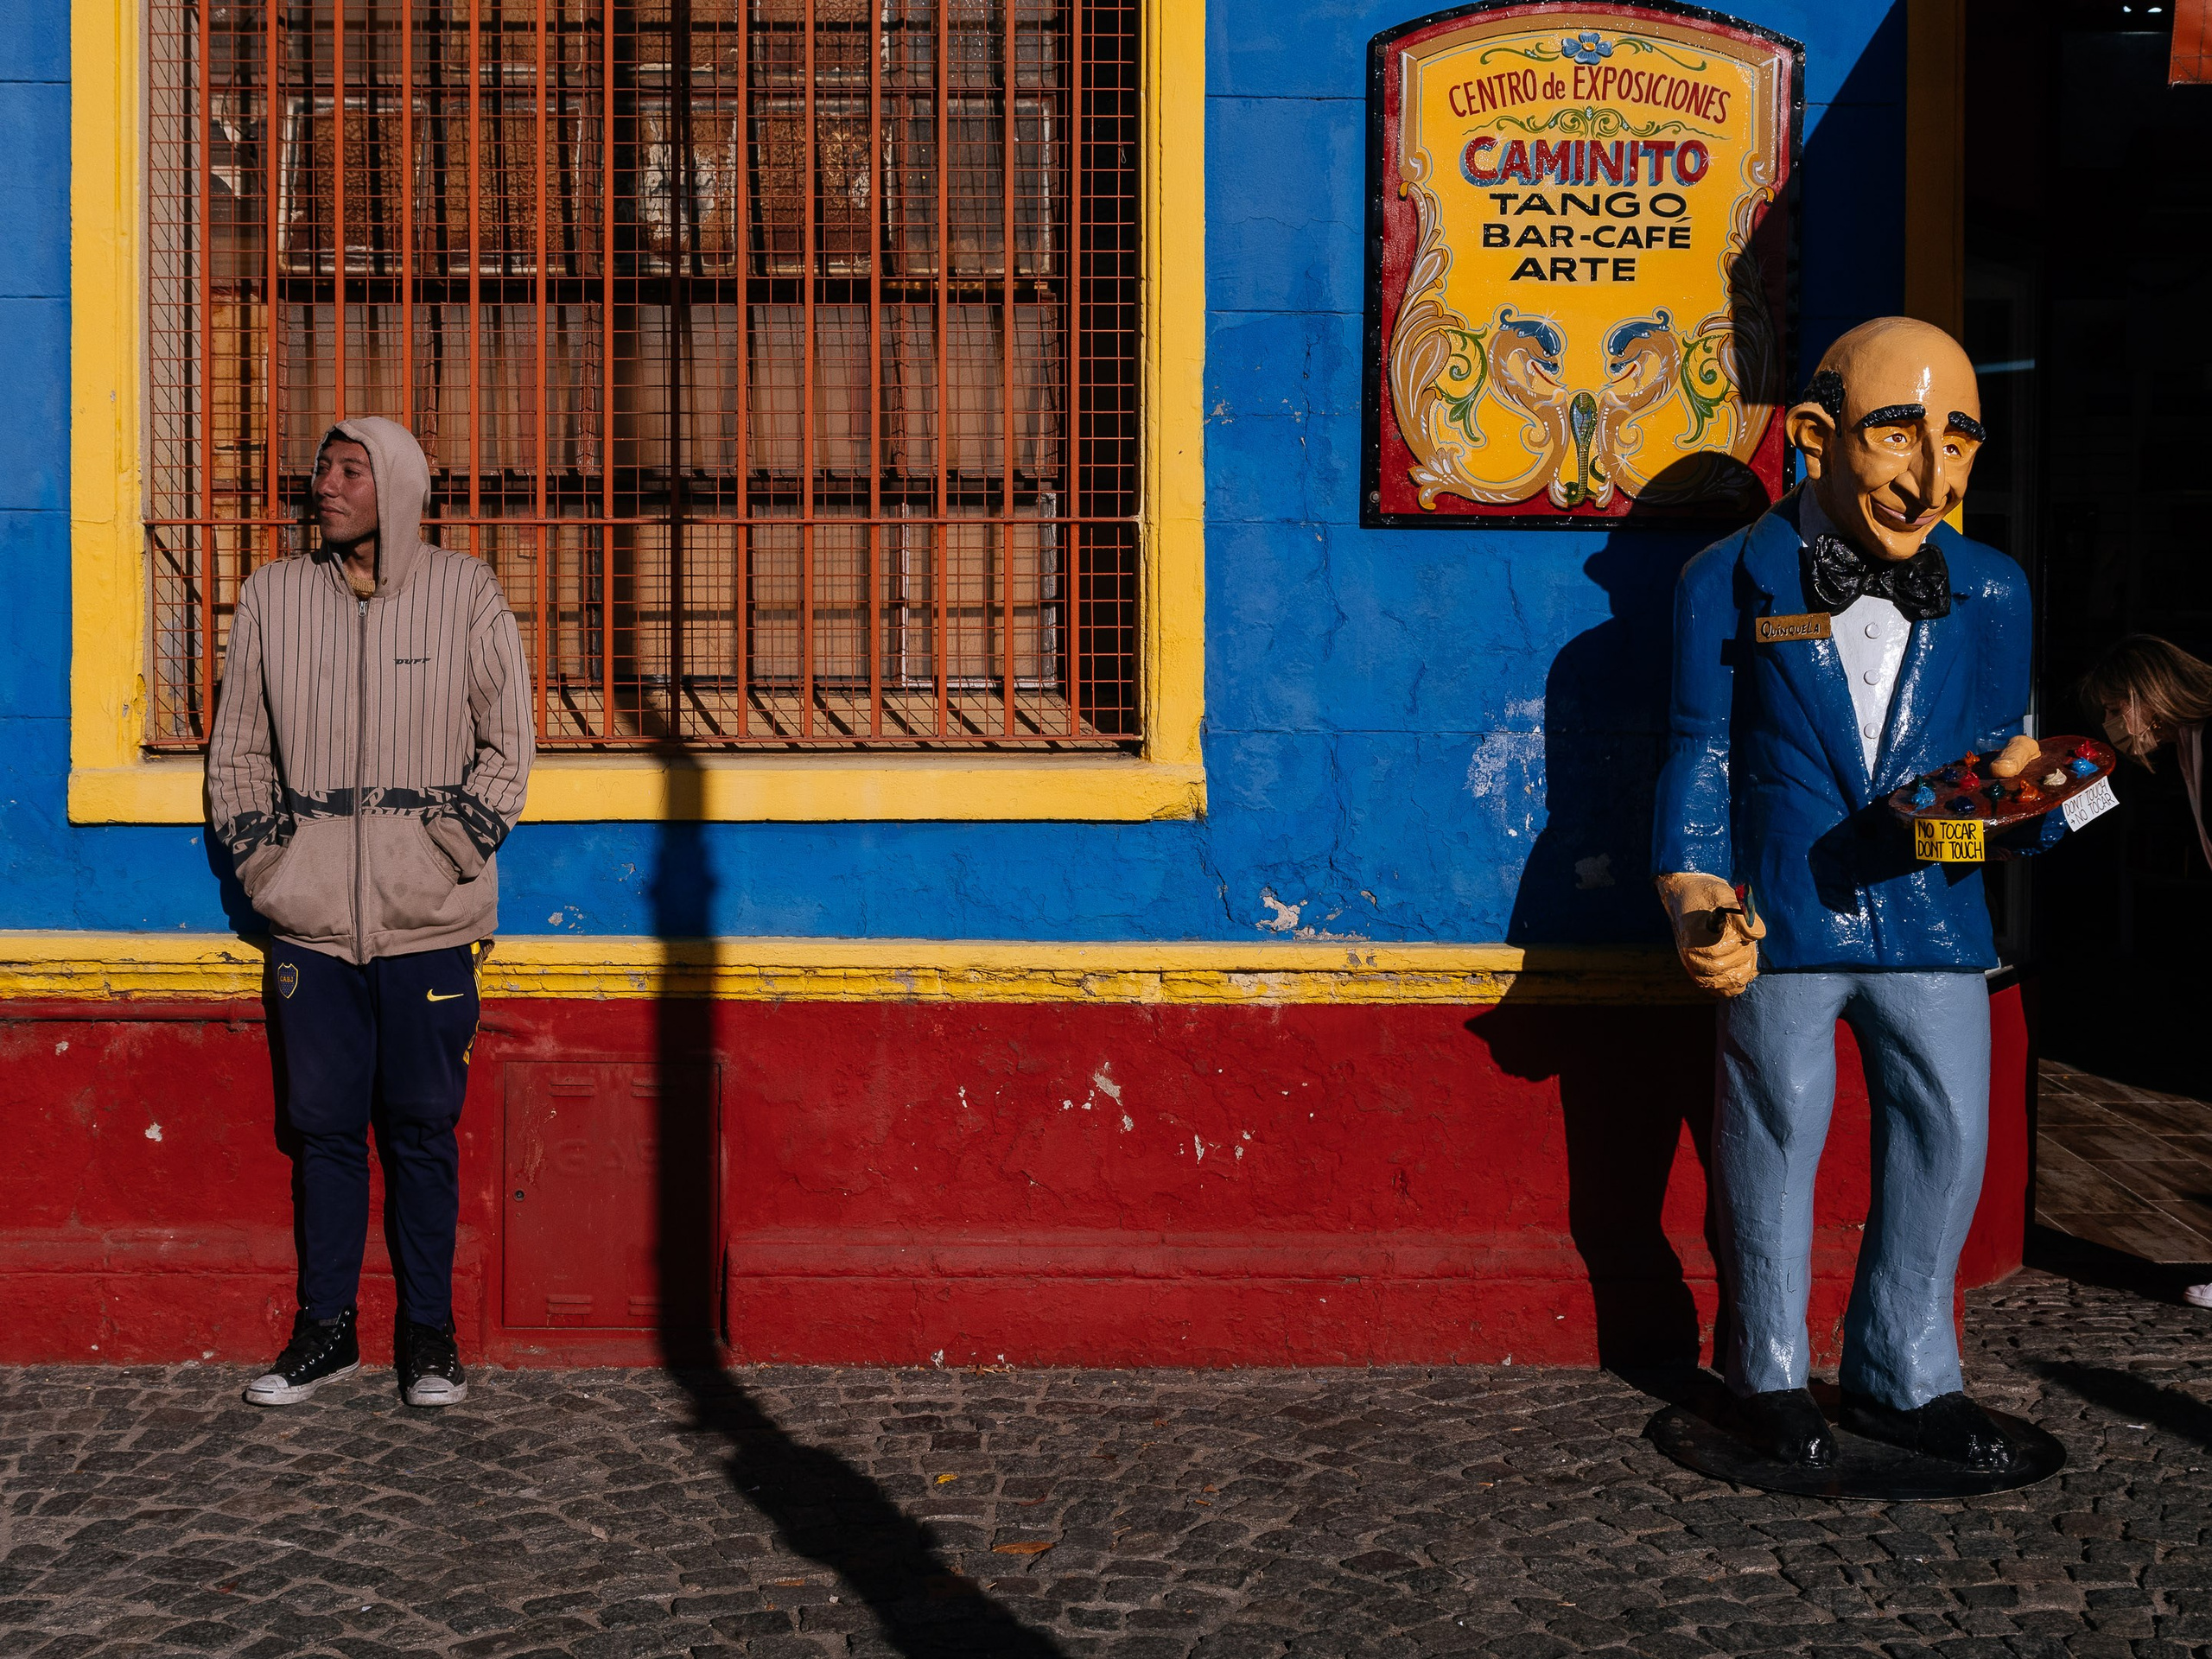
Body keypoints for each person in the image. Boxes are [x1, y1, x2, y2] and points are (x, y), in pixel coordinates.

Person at [1653, 317, 2066, 1472]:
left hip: (1935, 913)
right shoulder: (1724, 578)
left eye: (1961, 442)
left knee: (1946, 1137)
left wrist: (2035, 786)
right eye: (1899, 434)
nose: (1932, 476)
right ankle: (1769, 1371)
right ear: (1820, 435)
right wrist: (1692, 888)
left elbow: (2000, 745)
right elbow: (1699, 752)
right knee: (1772, 1132)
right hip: (1785, 914)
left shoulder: (1990, 590)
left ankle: (1908, 1373)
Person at [209, 416, 533, 1407]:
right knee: (323, 1132)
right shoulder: (273, 596)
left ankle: (429, 1341)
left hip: (428, 922)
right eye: (321, 467)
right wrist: (271, 866)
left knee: (423, 1130)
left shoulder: (464, 591)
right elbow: (239, 751)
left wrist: (445, 852)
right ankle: (327, 1332)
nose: (326, 484)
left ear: (395, 486)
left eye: (351, 470)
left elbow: (509, 742)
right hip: (309, 923)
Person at [2078, 634, 2212, 1307]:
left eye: (2109, 710)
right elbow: (2098, 800)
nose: (2108, 725)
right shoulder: (2182, 744)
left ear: (2140, 699)